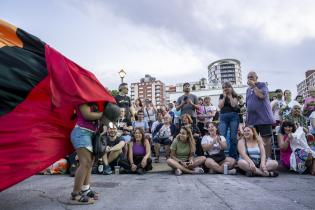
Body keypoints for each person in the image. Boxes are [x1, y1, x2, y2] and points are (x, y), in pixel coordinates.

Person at [70, 103, 102, 204]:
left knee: (89, 163)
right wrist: (103, 114)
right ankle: (76, 194)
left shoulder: (93, 100)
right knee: (85, 162)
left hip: (89, 134)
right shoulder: (83, 98)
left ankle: (85, 189)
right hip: (81, 133)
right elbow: (87, 115)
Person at [246, 71, 275, 159]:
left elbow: (261, 95)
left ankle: (268, 159)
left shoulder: (262, 85)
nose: (249, 78)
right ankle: (257, 159)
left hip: (263, 118)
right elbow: (247, 104)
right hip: (252, 119)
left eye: (251, 77)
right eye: (248, 77)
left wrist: (254, 86)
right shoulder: (248, 90)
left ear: (256, 77)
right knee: (253, 140)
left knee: (266, 140)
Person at [218, 81, 239, 159]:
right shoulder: (221, 95)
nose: (225, 89)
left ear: (230, 87)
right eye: (223, 88)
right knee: (222, 136)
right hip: (223, 117)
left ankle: (233, 155)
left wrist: (230, 96)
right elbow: (220, 106)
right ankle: (221, 155)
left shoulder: (235, 95)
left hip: (233, 116)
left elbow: (234, 105)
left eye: (226, 87)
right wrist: (224, 97)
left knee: (233, 137)